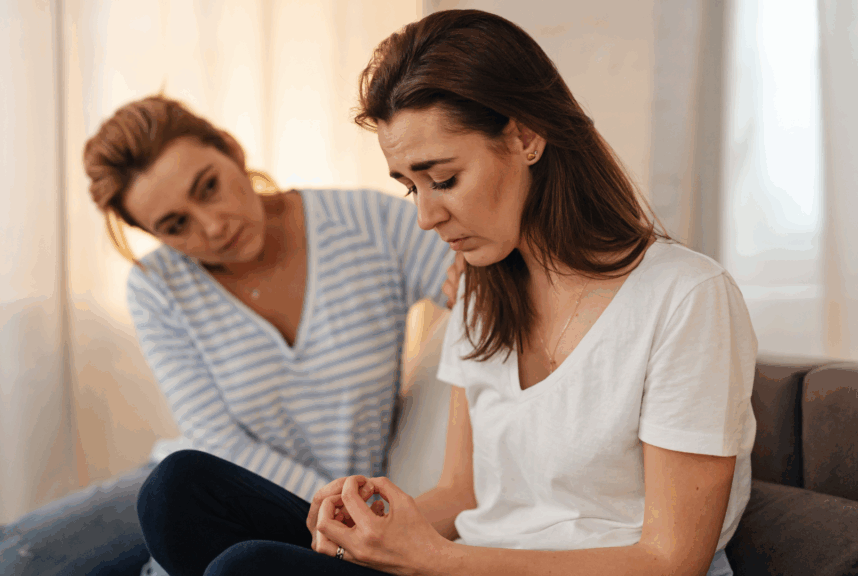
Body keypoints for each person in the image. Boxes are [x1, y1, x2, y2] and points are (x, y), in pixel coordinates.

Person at [136, 9, 756, 576]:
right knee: (178, 489)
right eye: (411, 187)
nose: (425, 217)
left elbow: (672, 559)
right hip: (463, 564)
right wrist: (370, 524)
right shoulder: (484, 293)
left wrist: (439, 561)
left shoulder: (686, 297)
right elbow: (463, 496)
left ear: (526, 137)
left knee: (246, 569)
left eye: (444, 179)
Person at [0, 96, 459, 576]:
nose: (214, 225)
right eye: (176, 225)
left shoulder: (368, 224)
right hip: (209, 488)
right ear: (155, 235)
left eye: (208, 187)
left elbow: (478, 275)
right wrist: (335, 510)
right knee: (1, 563)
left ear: (231, 150)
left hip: (320, 508)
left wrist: (347, 513)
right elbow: (218, 441)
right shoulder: (158, 287)